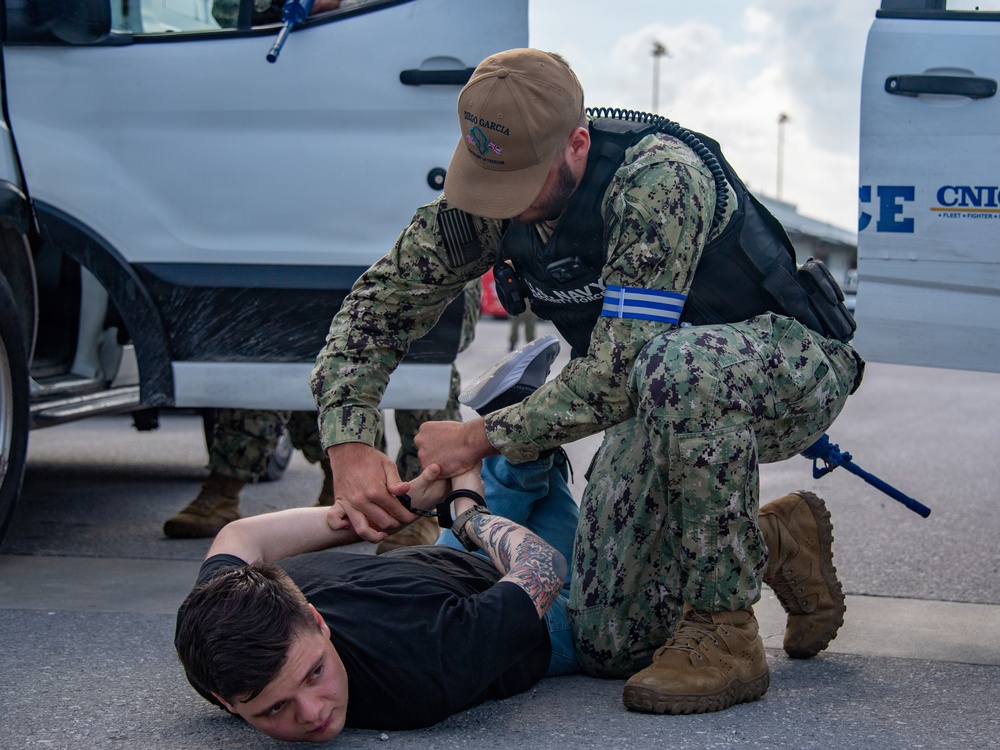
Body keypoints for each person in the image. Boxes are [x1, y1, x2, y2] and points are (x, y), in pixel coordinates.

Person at [309, 48, 864, 715]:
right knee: (608, 641)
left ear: (576, 144)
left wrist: (477, 439)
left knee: (674, 363)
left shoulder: (657, 179)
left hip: (786, 369)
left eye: (521, 184)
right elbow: (378, 309)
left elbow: (621, 370)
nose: (503, 206)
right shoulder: (491, 195)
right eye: (490, 181)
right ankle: (776, 539)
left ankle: (726, 628)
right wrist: (348, 440)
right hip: (659, 395)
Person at [174, 459, 573, 743]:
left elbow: (545, 568)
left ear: (317, 620)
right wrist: (461, 511)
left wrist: (403, 512)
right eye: (275, 708)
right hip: (489, 597)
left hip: (520, 603)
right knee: (513, 468)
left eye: (315, 673)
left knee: (617, 627)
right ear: (225, 701)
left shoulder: (418, 670)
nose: (313, 712)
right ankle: (523, 450)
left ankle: (521, 439)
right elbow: (541, 567)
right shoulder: (210, 648)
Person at [163, 281, 481, 549]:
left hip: (410, 262)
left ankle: (417, 510)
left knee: (425, 366)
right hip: (318, 254)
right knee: (286, 360)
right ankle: (231, 486)